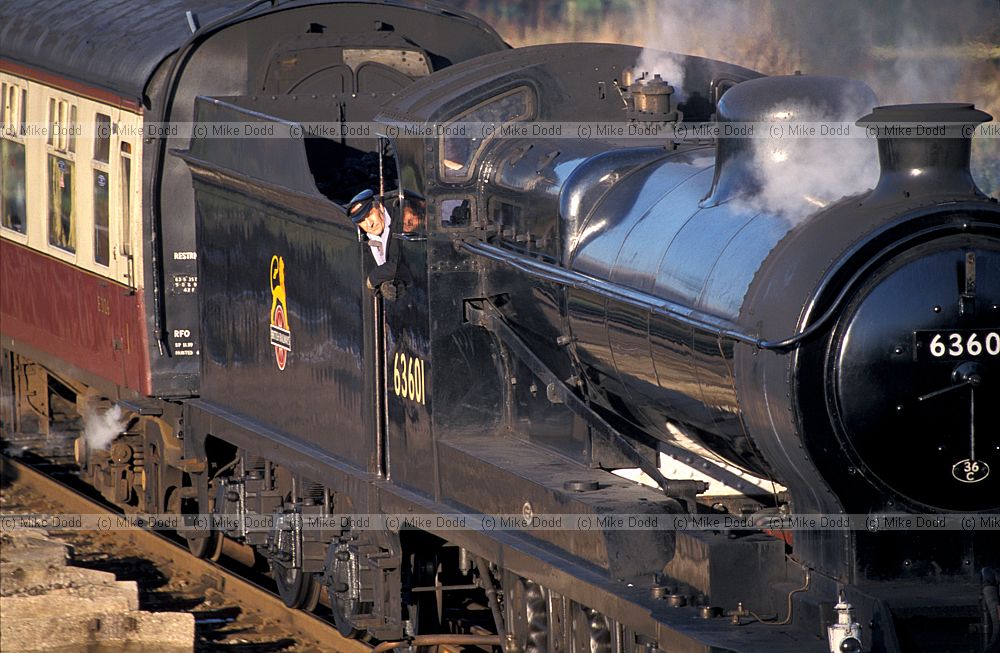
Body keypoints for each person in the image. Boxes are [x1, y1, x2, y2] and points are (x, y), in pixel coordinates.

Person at [348, 189, 402, 300]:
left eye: (370, 214)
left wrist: (373, 278)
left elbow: (401, 263)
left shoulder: (401, 221)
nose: (369, 224)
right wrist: (383, 287)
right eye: (362, 221)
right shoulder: (369, 240)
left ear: (380, 207)